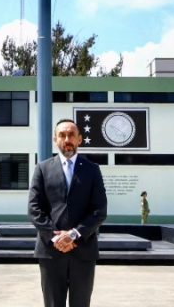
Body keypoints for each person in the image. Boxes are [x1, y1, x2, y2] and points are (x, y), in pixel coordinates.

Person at [29, 118, 108, 307]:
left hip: (83, 251)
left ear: (80, 139)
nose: (67, 139)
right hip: (51, 251)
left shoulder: (92, 170)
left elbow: (100, 210)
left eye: (71, 134)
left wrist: (74, 234)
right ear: (55, 139)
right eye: (62, 135)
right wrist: (56, 237)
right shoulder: (43, 168)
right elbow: (34, 209)